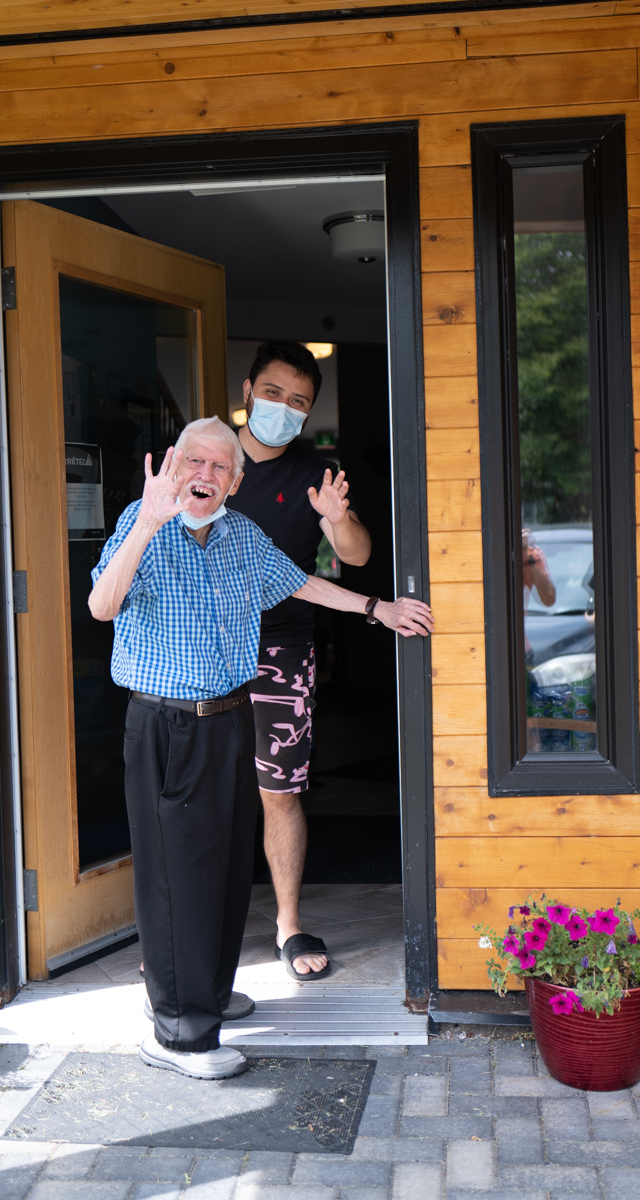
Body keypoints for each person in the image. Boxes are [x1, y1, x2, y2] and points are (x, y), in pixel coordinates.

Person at [87, 417, 432, 1080]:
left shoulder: (241, 534)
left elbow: (298, 582)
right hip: (165, 725)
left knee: (220, 871)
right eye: (195, 461)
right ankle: (178, 1032)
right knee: (175, 878)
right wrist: (146, 524)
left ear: (236, 482)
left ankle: (210, 995)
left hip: (228, 718)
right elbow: (104, 604)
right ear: (172, 466)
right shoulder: (143, 522)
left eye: (221, 467)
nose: (206, 475)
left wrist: (376, 609)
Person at [224, 342, 369, 982]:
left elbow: (358, 555)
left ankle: (287, 922)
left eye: (299, 402)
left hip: (282, 647)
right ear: (249, 389)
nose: (284, 408)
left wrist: (337, 523)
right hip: (198, 650)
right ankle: (200, 928)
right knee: (201, 794)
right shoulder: (206, 457)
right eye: (274, 393)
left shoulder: (315, 472)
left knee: (278, 792)